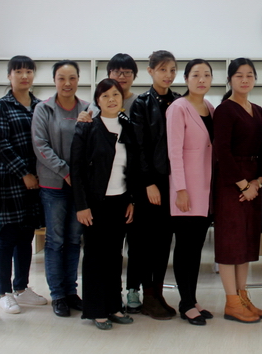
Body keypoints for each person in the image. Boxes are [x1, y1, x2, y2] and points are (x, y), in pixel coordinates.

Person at [71, 79, 140, 330]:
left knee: (114, 256)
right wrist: (82, 205)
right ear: (97, 101)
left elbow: (133, 168)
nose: (112, 99)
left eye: (116, 95)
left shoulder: (128, 126)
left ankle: (114, 306)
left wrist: (131, 200)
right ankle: (96, 310)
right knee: (95, 256)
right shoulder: (87, 127)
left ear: (122, 99)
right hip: (95, 203)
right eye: (105, 96)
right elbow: (76, 170)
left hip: (120, 201)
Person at [0, 56, 48, 314]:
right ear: (9, 76)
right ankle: (3, 292)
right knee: (7, 237)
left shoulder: (39, 106)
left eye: (28, 71)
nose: (24, 76)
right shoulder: (1, 107)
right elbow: (1, 145)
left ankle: (22, 288)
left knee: (26, 236)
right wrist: (24, 173)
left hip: (35, 182)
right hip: (11, 181)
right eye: (18, 72)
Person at [213, 58, 262, 323]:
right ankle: (231, 302)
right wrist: (244, 185)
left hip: (253, 184)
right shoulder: (225, 110)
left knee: (245, 243)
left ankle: (243, 296)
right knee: (229, 243)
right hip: (231, 185)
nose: (245, 80)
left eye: (249, 75)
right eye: (239, 75)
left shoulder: (258, 110)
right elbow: (222, 152)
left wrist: (258, 181)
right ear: (230, 80)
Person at [32, 60, 90, 317]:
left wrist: (78, 177)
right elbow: (40, 145)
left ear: (78, 80)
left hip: (79, 188)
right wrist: (66, 172)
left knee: (74, 240)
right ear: (54, 80)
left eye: (72, 78)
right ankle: (57, 295)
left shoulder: (88, 108)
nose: (67, 83)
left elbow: (92, 144)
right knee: (55, 241)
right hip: (53, 185)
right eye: (61, 78)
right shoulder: (43, 109)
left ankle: (71, 291)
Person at [126, 50, 181, 318]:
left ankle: (158, 292)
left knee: (163, 241)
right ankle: (147, 295)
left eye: (172, 70)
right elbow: (138, 147)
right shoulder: (141, 103)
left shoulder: (179, 101)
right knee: (145, 241)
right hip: (149, 183)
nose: (168, 75)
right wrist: (148, 182)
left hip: (172, 181)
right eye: (162, 70)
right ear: (150, 71)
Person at [166, 59, 216, 325]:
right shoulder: (178, 108)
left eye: (206, 75)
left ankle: (192, 298)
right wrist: (180, 189)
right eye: (196, 75)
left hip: (206, 190)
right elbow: (174, 152)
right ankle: (185, 304)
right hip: (186, 190)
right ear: (185, 79)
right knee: (185, 247)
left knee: (196, 248)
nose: (201, 79)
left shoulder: (210, 107)